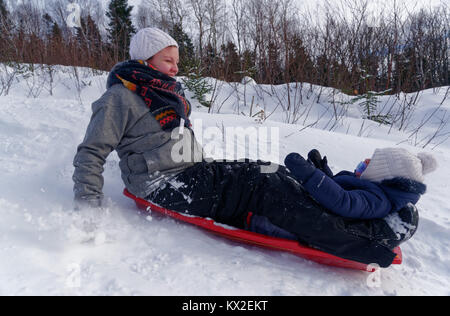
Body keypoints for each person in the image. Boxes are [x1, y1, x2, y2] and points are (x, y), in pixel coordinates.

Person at [72, 28, 422, 267]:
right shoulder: (119, 98)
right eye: (168, 61)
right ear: (146, 60)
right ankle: (361, 239)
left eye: (176, 61)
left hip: (191, 170)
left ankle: (345, 210)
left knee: (267, 170)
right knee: (259, 187)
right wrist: (88, 207)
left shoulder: (163, 92)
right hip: (161, 184)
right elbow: (91, 152)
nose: (176, 68)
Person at [284, 147, 437, 219]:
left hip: (309, 219)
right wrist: (321, 170)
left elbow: (344, 201)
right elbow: (339, 188)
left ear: (382, 174)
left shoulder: (378, 201)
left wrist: (312, 175)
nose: (366, 161)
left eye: (373, 162)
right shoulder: (369, 185)